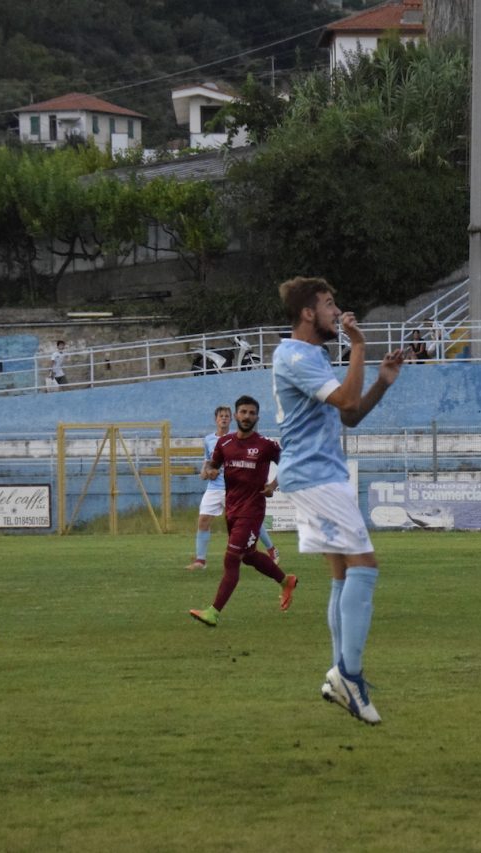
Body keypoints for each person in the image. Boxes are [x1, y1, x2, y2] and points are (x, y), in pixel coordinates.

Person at [272, 276, 405, 725]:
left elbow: (349, 414)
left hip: (317, 473)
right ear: (308, 313)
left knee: (342, 573)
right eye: (329, 304)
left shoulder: (311, 356)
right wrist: (359, 346)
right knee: (365, 566)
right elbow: (347, 397)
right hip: (315, 477)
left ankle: (339, 678)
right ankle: (349, 674)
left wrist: (382, 382)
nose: (336, 310)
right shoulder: (294, 354)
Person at [189, 396, 297, 626]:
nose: (247, 416)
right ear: (236, 415)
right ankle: (286, 580)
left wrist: (273, 486)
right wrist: (209, 471)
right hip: (233, 509)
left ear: (257, 417)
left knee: (232, 558)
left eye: (251, 413)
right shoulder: (225, 444)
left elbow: (289, 463)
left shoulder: (266, 445)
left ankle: (213, 612)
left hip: (252, 510)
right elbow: (212, 465)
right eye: (243, 412)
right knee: (248, 556)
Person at [186, 405, 279, 571]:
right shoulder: (208, 440)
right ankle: (200, 561)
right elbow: (208, 462)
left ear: (232, 419)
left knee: (251, 523)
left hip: (235, 489)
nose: (224, 418)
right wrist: (206, 472)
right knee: (203, 520)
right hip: (214, 488)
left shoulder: (238, 438)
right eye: (221, 416)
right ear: (216, 419)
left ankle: (272, 549)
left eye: (227, 416)